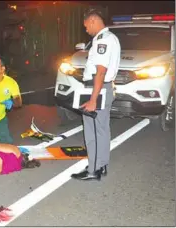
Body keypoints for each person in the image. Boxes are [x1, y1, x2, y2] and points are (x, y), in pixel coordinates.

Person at [71, 8, 121, 181]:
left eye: (86, 26)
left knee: (93, 131)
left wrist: (93, 99)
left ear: (92, 21)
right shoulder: (110, 39)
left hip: (97, 88)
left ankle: (93, 170)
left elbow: (100, 71)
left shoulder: (103, 40)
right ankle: (100, 164)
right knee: (101, 129)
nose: (86, 30)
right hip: (101, 88)